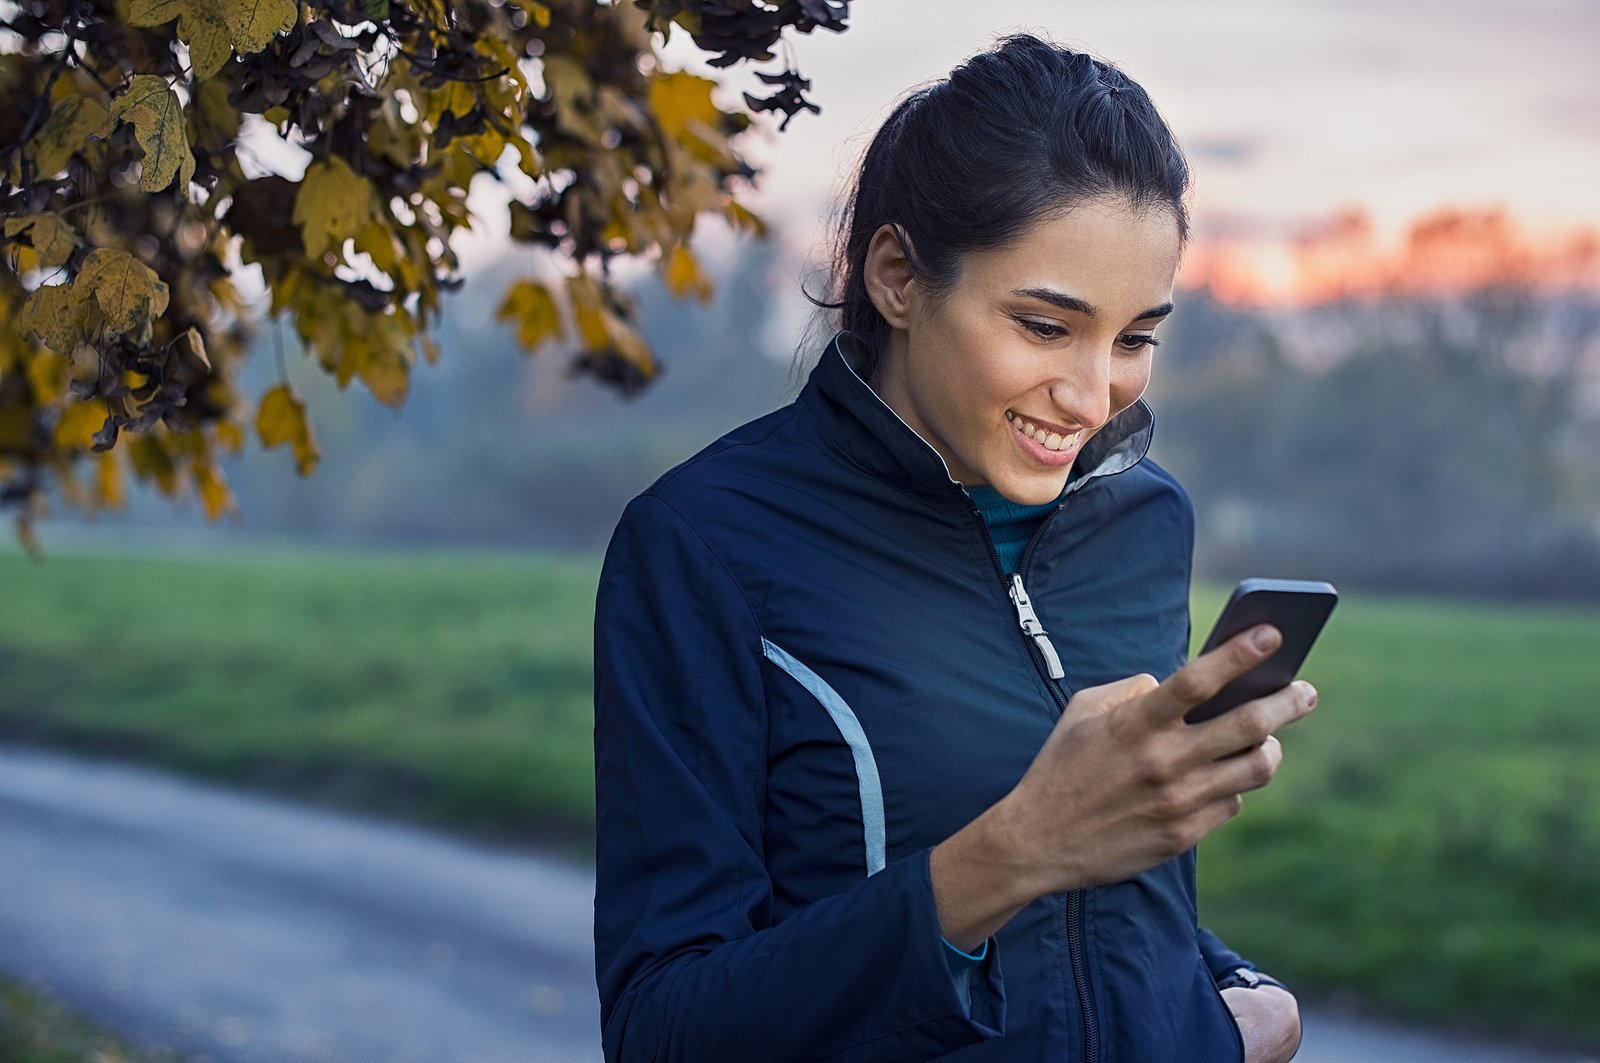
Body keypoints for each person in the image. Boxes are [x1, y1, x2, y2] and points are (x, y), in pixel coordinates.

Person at [593, 33, 1312, 1063]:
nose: (1091, 392)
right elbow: (665, 1027)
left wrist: (1236, 1003)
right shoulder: (702, 545)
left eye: (1135, 336)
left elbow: (1107, 916)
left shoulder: (1146, 522)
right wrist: (1008, 855)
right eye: (1042, 324)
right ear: (895, 276)